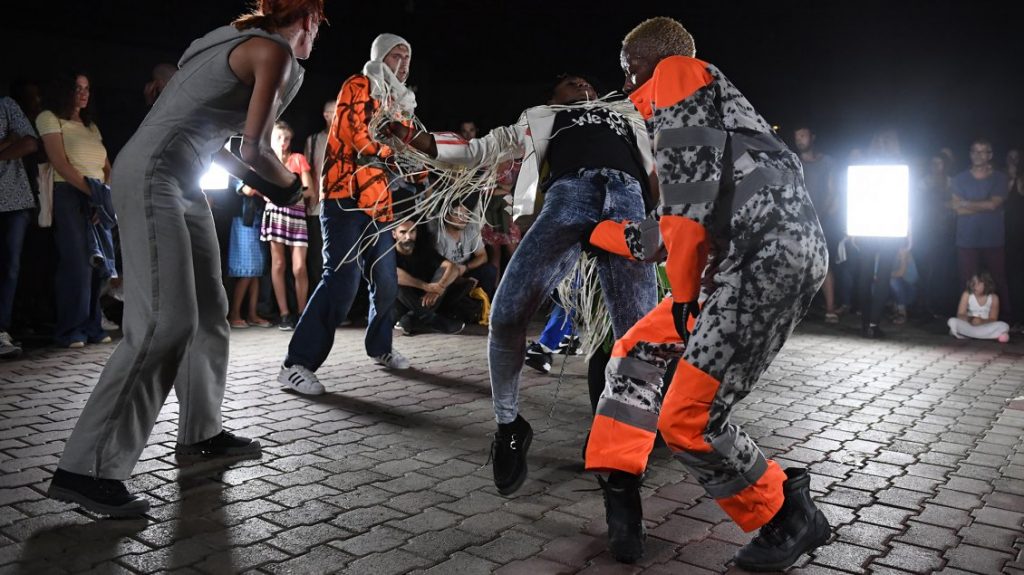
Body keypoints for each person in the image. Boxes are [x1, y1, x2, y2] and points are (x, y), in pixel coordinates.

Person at [47, 0, 325, 517]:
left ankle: (202, 433)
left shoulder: (218, 39)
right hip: (154, 174)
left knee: (208, 311)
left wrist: (269, 186)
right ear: (309, 20)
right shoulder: (276, 53)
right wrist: (290, 190)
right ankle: (86, 470)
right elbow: (256, 147)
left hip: (183, 177)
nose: (315, 38)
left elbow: (220, 144)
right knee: (163, 324)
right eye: (317, 27)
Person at [582, 17, 829, 570]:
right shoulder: (716, 112)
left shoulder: (678, 73)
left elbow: (686, 203)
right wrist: (589, 233)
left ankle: (787, 514)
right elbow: (672, 228)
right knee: (634, 352)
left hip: (760, 263)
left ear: (641, 60)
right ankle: (620, 484)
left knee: (687, 421)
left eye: (626, 69)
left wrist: (687, 296)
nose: (623, 83)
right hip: (749, 263)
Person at [390, 73, 659, 496]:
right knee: (508, 311)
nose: (583, 86)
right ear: (552, 97)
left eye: (587, 81)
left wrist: (665, 222)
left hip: (628, 202)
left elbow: (660, 167)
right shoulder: (542, 117)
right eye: (570, 83)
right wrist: (421, 141)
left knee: (642, 335)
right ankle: (509, 426)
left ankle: (624, 462)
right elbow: (480, 148)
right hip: (566, 197)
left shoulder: (626, 113)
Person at [277, 34, 416, 397]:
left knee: (386, 281)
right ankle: (297, 364)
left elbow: (415, 146)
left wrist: (433, 165)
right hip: (346, 196)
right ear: (379, 56)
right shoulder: (359, 85)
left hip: (380, 204)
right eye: (395, 55)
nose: (401, 62)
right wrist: (396, 153)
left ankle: (380, 346)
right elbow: (358, 135)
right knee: (341, 281)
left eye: (406, 56)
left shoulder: (402, 102)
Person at [36, 71, 113, 348]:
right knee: (77, 264)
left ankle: (93, 325)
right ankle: (71, 329)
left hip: (97, 194)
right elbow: (60, 163)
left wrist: (103, 198)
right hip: (69, 193)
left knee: (99, 264)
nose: (83, 93)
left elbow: (106, 167)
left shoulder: (91, 126)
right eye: (78, 88)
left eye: (87, 88)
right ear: (64, 90)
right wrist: (92, 194)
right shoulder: (49, 117)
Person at [258, 120, 313, 330]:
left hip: (297, 214)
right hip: (275, 214)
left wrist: (290, 195)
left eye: (287, 138)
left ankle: (302, 311)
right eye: (279, 138)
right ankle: (284, 314)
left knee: (299, 267)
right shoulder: (266, 162)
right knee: (279, 264)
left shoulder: (298, 159)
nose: (283, 142)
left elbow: (311, 191)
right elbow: (257, 190)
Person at [951, 138, 1010, 322]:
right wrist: (981, 204)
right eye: (974, 150)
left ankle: (1005, 319)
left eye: (983, 151)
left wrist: (966, 203)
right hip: (966, 238)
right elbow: (957, 208)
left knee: (998, 279)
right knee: (967, 281)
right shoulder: (959, 178)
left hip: (993, 238)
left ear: (990, 155)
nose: (978, 154)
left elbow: (994, 204)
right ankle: (966, 319)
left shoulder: (1000, 178)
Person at [0, 96, 39, 358]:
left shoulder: (6, 104)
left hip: (13, 200)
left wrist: (14, 141)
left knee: (9, 267)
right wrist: (7, 141)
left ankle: (1, 330)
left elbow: (29, 142)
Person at [793, 125, 840, 323]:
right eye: (796, 136)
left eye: (803, 135)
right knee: (797, 263)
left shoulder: (827, 162)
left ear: (812, 136)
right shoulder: (793, 161)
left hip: (822, 220)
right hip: (798, 220)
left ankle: (830, 309)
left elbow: (832, 192)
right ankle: (796, 310)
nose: (799, 139)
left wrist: (820, 216)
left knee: (824, 263)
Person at [393, 220, 467, 336]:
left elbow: (452, 267)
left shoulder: (423, 250)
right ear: (394, 234)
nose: (408, 237)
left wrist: (439, 288)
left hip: (425, 300)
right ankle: (432, 319)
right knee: (392, 281)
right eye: (403, 232)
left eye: (412, 232)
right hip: (400, 304)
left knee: (445, 273)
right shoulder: (389, 252)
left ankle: (410, 320)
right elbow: (394, 274)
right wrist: (426, 286)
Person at [429, 197, 497, 298]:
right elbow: (439, 270)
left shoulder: (470, 230)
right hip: (447, 278)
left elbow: (483, 256)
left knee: (489, 270)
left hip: (465, 271)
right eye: (457, 215)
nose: (463, 218)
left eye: (465, 214)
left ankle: (484, 305)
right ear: (447, 217)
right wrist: (462, 280)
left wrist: (466, 267)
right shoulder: (440, 237)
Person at [227, 178, 271, 329]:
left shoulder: (254, 170)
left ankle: (252, 314)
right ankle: (234, 314)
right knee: (247, 270)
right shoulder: (236, 171)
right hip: (243, 220)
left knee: (256, 272)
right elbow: (248, 190)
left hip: (256, 218)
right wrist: (269, 191)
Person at [303, 99, 336, 286]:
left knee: (339, 254)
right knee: (317, 254)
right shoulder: (313, 140)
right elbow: (306, 171)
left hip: (342, 205)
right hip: (318, 206)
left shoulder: (348, 139)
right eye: (336, 110)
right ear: (326, 115)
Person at [947, 273, 1010, 342]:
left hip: (984, 327)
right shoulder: (967, 294)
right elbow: (960, 314)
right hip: (969, 326)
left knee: (1004, 326)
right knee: (952, 321)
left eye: (979, 283)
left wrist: (982, 321)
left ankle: (965, 334)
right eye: (973, 282)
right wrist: (971, 319)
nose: (975, 286)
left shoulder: (994, 297)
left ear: (987, 284)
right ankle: (987, 336)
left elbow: (993, 319)